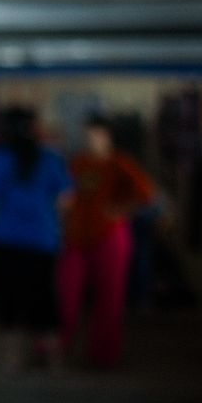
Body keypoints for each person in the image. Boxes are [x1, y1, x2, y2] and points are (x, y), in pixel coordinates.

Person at [59, 115, 155, 368]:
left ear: (108, 136)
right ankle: (58, 346)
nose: (91, 140)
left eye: (97, 135)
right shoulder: (77, 163)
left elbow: (146, 194)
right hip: (76, 237)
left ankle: (104, 354)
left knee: (109, 298)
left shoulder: (119, 163)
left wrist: (121, 210)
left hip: (109, 237)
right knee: (66, 292)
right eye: (88, 135)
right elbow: (63, 194)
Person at [0, 107, 71, 371]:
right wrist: (54, 224)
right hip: (42, 240)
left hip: (6, 240)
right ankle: (54, 359)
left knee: (9, 300)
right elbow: (66, 199)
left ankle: (13, 360)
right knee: (43, 299)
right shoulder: (51, 159)